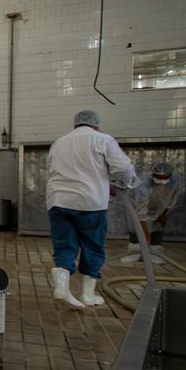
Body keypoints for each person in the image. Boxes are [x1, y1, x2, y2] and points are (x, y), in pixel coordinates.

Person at [46, 110, 137, 308]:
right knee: (93, 246)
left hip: (58, 201)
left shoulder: (59, 142)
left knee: (64, 244)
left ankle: (62, 285)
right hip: (90, 202)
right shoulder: (103, 139)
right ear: (96, 125)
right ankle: (87, 295)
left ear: (75, 124)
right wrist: (124, 183)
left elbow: (52, 169)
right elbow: (124, 168)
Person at [122, 161, 182, 265]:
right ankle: (135, 251)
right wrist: (146, 238)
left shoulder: (175, 180)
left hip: (159, 206)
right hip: (137, 203)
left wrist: (163, 214)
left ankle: (155, 252)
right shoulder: (145, 181)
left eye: (165, 178)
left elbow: (172, 199)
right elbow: (141, 211)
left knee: (157, 225)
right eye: (158, 177)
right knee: (136, 225)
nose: (161, 180)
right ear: (153, 174)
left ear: (170, 175)